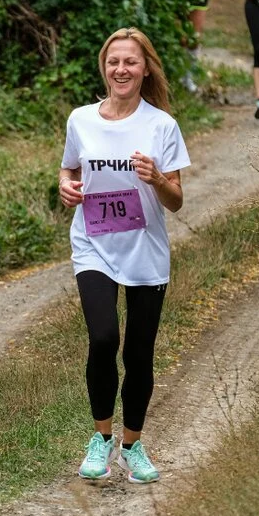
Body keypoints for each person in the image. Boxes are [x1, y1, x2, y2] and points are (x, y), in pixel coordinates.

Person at [58, 27, 191, 484]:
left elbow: (175, 201)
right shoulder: (81, 119)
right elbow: (69, 169)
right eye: (114, 61)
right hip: (93, 244)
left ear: (145, 68)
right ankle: (101, 439)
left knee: (139, 353)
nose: (121, 70)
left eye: (130, 62)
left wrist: (156, 178)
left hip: (145, 251)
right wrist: (66, 186)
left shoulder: (161, 125)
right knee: (102, 338)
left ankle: (132, 445)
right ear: (104, 66)